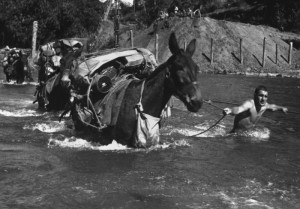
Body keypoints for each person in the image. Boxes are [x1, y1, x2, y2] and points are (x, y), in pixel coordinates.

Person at [223, 85, 288, 133]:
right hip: (234, 135)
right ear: (255, 95)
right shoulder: (249, 104)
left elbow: (273, 107)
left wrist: (282, 108)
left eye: (265, 96)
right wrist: (230, 110)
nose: (263, 99)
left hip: (247, 135)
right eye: (261, 96)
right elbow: (239, 109)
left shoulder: (265, 106)